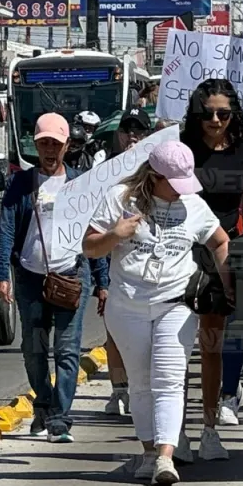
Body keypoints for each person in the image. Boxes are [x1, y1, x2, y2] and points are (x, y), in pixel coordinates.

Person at [83, 142, 234, 486]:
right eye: (173, 182)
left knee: (169, 378)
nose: (180, 190)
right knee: (140, 382)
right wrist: (115, 234)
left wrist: (228, 283)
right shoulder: (120, 199)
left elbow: (221, 241)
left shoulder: (194, 205)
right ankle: (149, 451)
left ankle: (166, 458)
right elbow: (90, 248)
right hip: (127, 305)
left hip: (175, 303)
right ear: (153, 176)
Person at [0, 113, 110, 442]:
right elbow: (5, 230)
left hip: (71, 275)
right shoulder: (21, 183)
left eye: (55, 144)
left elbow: (95, 234)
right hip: (31, 277)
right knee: (33, 349)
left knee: (67, 351)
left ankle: (60, 418)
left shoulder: (80, 183)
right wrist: (1, 272)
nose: (49, 149)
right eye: (43, 142)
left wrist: (102, 282)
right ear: (35, 143)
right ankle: (43, 404)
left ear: (67, 146)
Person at [180, 79, 243, 459]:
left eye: (223, 113)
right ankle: (174, 430)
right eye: (208, 112)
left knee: (211, 344)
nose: (215, 119)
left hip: (223, 253)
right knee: (174, 346)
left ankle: (210, 428)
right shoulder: (181, 150)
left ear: (234, 115)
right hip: (178, 251)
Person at [99, 107, 157, 418]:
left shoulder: (155, 170)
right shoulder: (106, 169)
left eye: (139, 130)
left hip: (149, 263)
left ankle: (142, 389)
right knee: (113, 332)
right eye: (127, 130)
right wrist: (99, 280)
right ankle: (118, 389)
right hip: (114, 260)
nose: (132, 135)